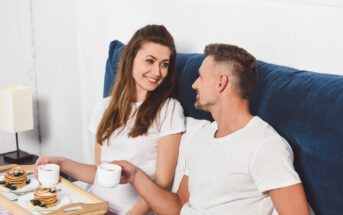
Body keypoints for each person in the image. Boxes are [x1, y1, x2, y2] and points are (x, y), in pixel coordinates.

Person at [112, 43, 311, 215]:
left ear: (221, 82)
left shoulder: (265, 145)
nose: (194, 84)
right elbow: (180, 206)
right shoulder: (203, 137)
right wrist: (135, 176)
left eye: (200, 76)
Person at [34, 25, 185, 215]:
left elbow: (162, 183)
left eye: (164, 64)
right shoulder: (104, 107)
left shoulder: (169, 110)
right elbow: (99, 172)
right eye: (150, 61)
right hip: (94, 205)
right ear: (130, 59)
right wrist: (60, 162)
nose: (157, 72)